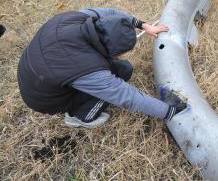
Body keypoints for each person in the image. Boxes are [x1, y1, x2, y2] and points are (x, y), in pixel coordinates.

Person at [17, 8, 187, 128]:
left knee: (124, 69)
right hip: (42, 98)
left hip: (34, 74)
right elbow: (127, 97)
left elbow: (110, 13)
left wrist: (142, 25)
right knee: (114, 82)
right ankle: (79, 117)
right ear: (112, 51)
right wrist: (169, 111)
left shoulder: (75, 18)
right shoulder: (86, 68)